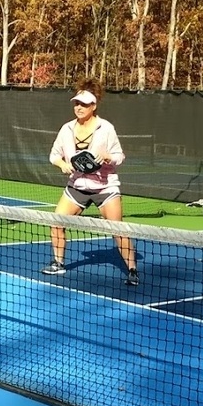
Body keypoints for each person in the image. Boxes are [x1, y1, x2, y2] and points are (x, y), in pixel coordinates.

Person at [41, 79, 138, 286]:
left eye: (84, 104)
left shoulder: (106, 128)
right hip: (77, 186)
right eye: (76, 103)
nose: (79, 107)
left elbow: (120, 156)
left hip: (105, 188)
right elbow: (54, 155)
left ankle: (132, 269)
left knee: (118, 229)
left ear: (94, 106)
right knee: (57, 222)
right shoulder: (66, 129)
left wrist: (108, 157)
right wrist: (62, 165)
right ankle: (58, 263)